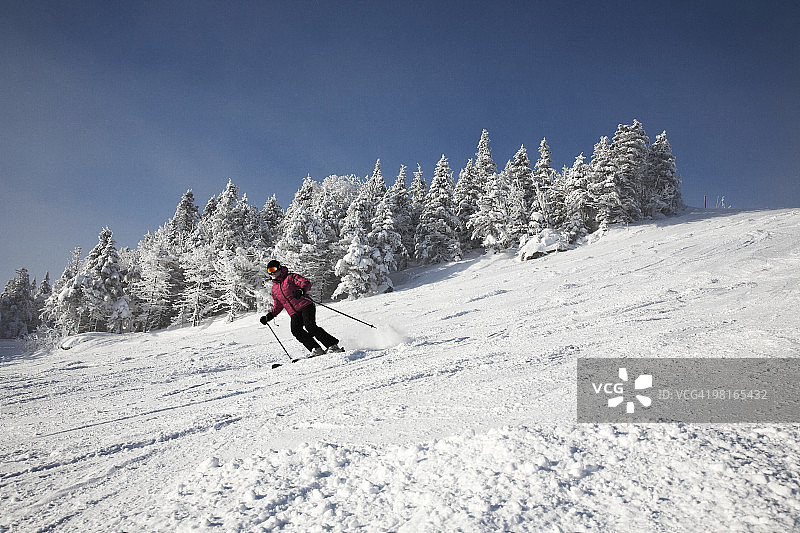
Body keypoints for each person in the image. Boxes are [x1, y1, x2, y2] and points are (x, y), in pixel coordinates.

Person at [260, 260, 342, 356]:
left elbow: (306, 283)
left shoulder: (290, 277)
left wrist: (301, 290)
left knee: (310, 326)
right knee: (296, 330)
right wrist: (268, 316)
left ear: (279, 268)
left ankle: (332, 345)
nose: (272, 272)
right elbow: (278, 305)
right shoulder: (274, 289)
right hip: (294, 313)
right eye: (269, 270)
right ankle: (316, 349)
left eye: (273, 269)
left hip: (306, 305)